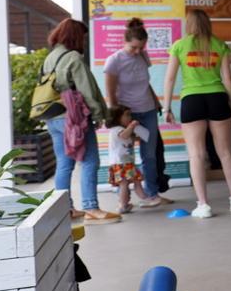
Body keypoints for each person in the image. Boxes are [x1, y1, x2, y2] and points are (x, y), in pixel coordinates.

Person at [163, 9, 231, 219]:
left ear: (188, 24)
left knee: (196, 154)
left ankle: (203, 205)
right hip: (218, 98)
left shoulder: (180, 45)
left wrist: (166, 107)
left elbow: (170, 79)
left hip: (192, 100)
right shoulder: (219, 45)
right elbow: (228, 79)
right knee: (226, 152)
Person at [41, 19, 121, 224]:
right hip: (73, 119)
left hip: (53, 117)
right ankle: (91, 207)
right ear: (76, 36)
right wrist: (98, 115)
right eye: (83, 37)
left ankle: (65, 210)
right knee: (90, 161)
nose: (84, 41)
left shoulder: (50, 58)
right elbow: (87, 90)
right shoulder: (73, 58)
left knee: (64, 164)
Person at [103, 17, 170, 207]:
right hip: (127, 114)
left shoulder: (143, 56)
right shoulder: (114, 61)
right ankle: (123, 198)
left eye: (141, 47)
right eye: (134, 47)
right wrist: (117, 118)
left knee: (149, 154)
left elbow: (145, 83)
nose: (138, 51)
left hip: (147, 110)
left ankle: (152, 194)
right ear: (124, 41)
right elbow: (110, 92)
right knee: (124, 155)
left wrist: (157, 102)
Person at [106, 104, 149, 214]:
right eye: (127, 115)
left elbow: (129, 139)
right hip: (121, 163)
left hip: (126, 162)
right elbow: (124, 136)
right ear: (117, 117)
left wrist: (139, 134)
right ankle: (126, 204)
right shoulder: (117, 129)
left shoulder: (123, 130)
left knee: (134, 181)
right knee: (125, 184)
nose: (130, 117)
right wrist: (132, 126)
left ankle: (139, 200)